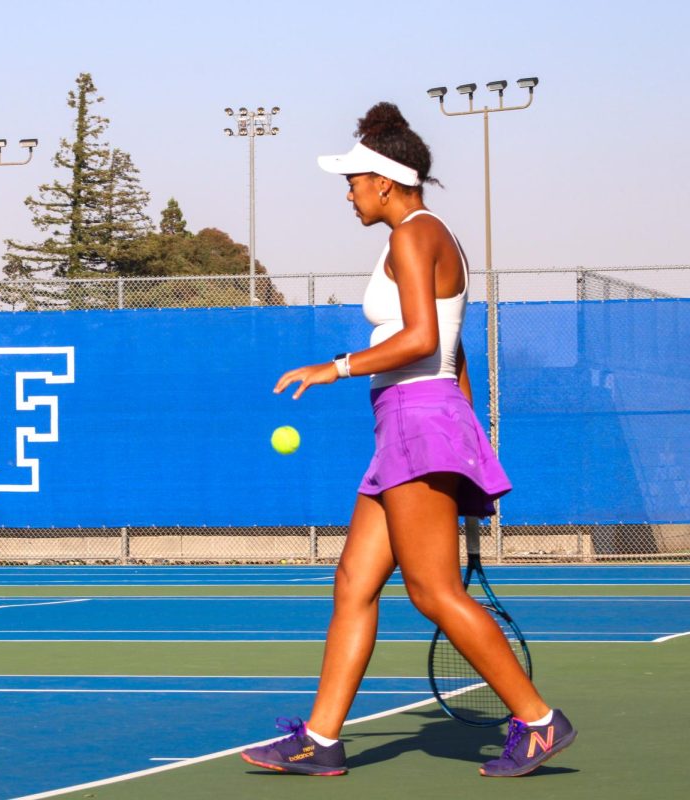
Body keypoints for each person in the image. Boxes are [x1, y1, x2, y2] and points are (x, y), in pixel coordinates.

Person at [240, 102, 576, 778]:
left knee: (433, 591)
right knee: (355, 582)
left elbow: (423, 339)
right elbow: (453, 351)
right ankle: (322, 738)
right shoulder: (424, 235)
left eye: (354, 182)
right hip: (414, 423)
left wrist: (333, 367)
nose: (348, 194)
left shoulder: (413, 235)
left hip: (419, 422)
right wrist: (468, 437)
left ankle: (539, 721)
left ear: (386, 182)